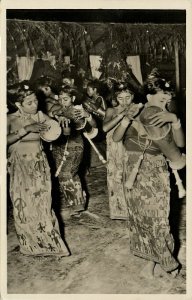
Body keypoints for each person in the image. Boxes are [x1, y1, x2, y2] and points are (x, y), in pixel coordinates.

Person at [113, 76, 185, 278]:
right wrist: (127, 119)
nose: (166, 102)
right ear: (148, 96)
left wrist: (175, 120)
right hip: (134, 169)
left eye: (167, 98)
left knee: (157, 218)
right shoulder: (140, 112)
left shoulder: (164, 115)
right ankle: (152, 260)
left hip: (155, 169)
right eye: (161, 98)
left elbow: (179, 145)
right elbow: (116, 138)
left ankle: (166, 260)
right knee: (140, 218)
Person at [7, 83, 70, 257]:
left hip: (39, 165)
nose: (35, 105)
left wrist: (62, 121)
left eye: (35, 100)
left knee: (43, 205)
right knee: (25, 206)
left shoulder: (41, 115)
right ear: (19, 104)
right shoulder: (8, 120)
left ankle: (51, 245)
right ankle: (30, 246)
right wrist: (25, 130)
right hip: (21, 167)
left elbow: (56, 132)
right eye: (29, 103)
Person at [48, 85, 97, 221]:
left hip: (73, 146)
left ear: (73, 98)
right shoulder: (58, 108)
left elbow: (89, 125)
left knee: (66, 175)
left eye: (66, 99)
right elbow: (52, 113)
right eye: (61, 99)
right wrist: (56, 115)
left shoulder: (76, 110)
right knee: (69, 175)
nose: (63, 102)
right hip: (60, 146)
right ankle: (78, 206)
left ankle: (77, 207)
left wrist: (84, 117)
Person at [103, 83, 142, 220]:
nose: (125, 101)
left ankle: (134, 209)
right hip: (114, 149)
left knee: (131, 175)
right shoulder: (111, 111)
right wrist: (121, 115)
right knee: (116, 177)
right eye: (121, 98)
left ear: (132, 96)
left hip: (130, 147)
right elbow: (105, 128)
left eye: (128, 97)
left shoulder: (138, 108)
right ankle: (120, 211)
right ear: (115, 98)